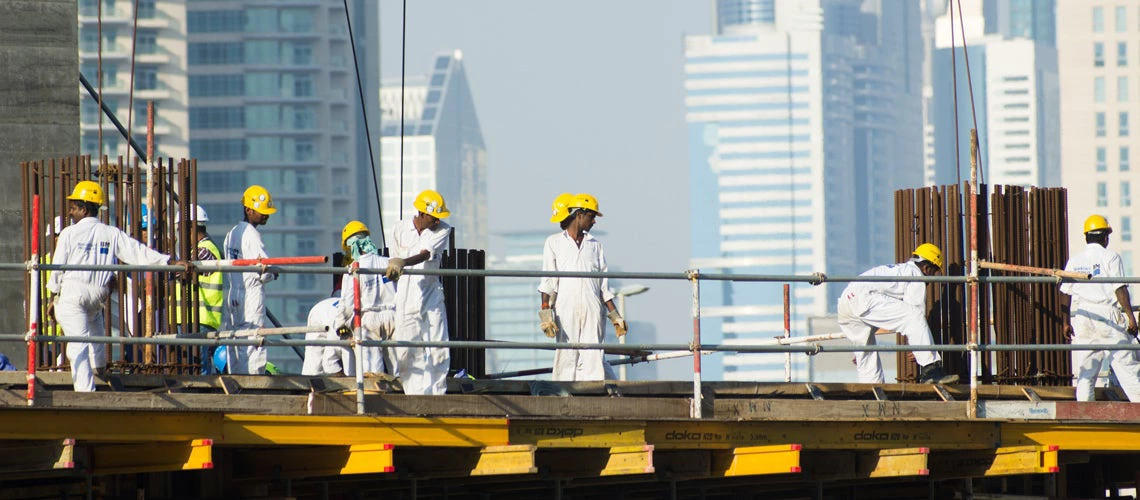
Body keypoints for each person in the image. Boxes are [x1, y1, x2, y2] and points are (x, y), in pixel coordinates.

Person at [45, 181, 187, 392]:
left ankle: (86, 393)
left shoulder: (68, 233)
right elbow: (137, 253)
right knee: (95, 330)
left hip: (73, 293)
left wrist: (53, 297)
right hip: (97, 294)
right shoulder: (111, 233)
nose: (71, 212)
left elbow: (58, 268)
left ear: (84, 209)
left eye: (74, 208)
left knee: (77, 345)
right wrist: (168, 261)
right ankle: (99, 368)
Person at [836, 243, 957, 384]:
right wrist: (919, 348)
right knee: (914, 316)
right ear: (927, 268)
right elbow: (915, 313)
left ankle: (872, 392)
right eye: (934, 272)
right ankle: (931, 370)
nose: (932, 278)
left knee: (865, 353)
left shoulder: (899, 271)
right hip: (865, 298)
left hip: (846, 302)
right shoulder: (915, 275)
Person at [537, 193, 627, 382]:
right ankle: (563, 394)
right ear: (579, 214)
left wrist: (615, 316)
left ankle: (594, 395)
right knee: (566, 355)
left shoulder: (595, 246)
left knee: (593, 354)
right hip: (565, 306)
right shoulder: (554, 243)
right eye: (591, 216)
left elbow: (604, 286)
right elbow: (548, 280)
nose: (594, 221)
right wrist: (546, 313)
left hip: (592, 307)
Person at [1060, 215, 1140, 401]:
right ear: (1105, 237)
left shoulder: (1074, 260)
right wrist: (1130, 316)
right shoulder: (1110, 256)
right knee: (1126, 366)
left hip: (1083, 318)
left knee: (1086, 372)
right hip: (1107, 316)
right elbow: (1119, 288)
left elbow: (1065, 292)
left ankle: (1083, 414)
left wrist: (1065, 322)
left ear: (1086, 236)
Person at [383, 190, 453, 395]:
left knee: (438, 346)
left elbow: (424, 254)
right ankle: (413, 394)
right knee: (407, 346)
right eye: (434, 217)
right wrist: (396, 265)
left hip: (430, 292)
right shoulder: (399, 228)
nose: (437, 221)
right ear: (422, 214)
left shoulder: (442, 230)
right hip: (406, 293)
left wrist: (402, 262)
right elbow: (394, 257)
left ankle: (437, 394)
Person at [222, 185, 277, 375]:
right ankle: (254, 383)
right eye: (261, 212)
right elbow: (264, 270)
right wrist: (274, 273)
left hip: (234, 295)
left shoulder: (231, 234)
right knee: (255, 340)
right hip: (251, 295)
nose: (265, 216)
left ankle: (236, 378)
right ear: (248, 209)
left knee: (234, 340)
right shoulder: (253, 236)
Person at [337, 221, 397, 374]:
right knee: (398, 368)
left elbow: (348, 304)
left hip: (369, 319)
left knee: (372, 370)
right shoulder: (388, 263)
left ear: (352, 247)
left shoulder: (353, 270)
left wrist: (340, 324)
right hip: (394, 316)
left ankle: (373, 397)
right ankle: (404, 396)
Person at [175, 205, 223, 373]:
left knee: (198, 368)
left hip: (200, 318)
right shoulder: (195, 250)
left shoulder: (205, 250)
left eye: (179, 229)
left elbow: (179, 273)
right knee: (190, 366)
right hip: (191, 317)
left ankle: (202, 396)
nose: (178, 235)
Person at [303, 271, 353, 377]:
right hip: (323, 313)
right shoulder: (341, 330)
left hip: (328, 310)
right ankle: (308, 386)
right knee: (314, 364)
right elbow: (330, 364)